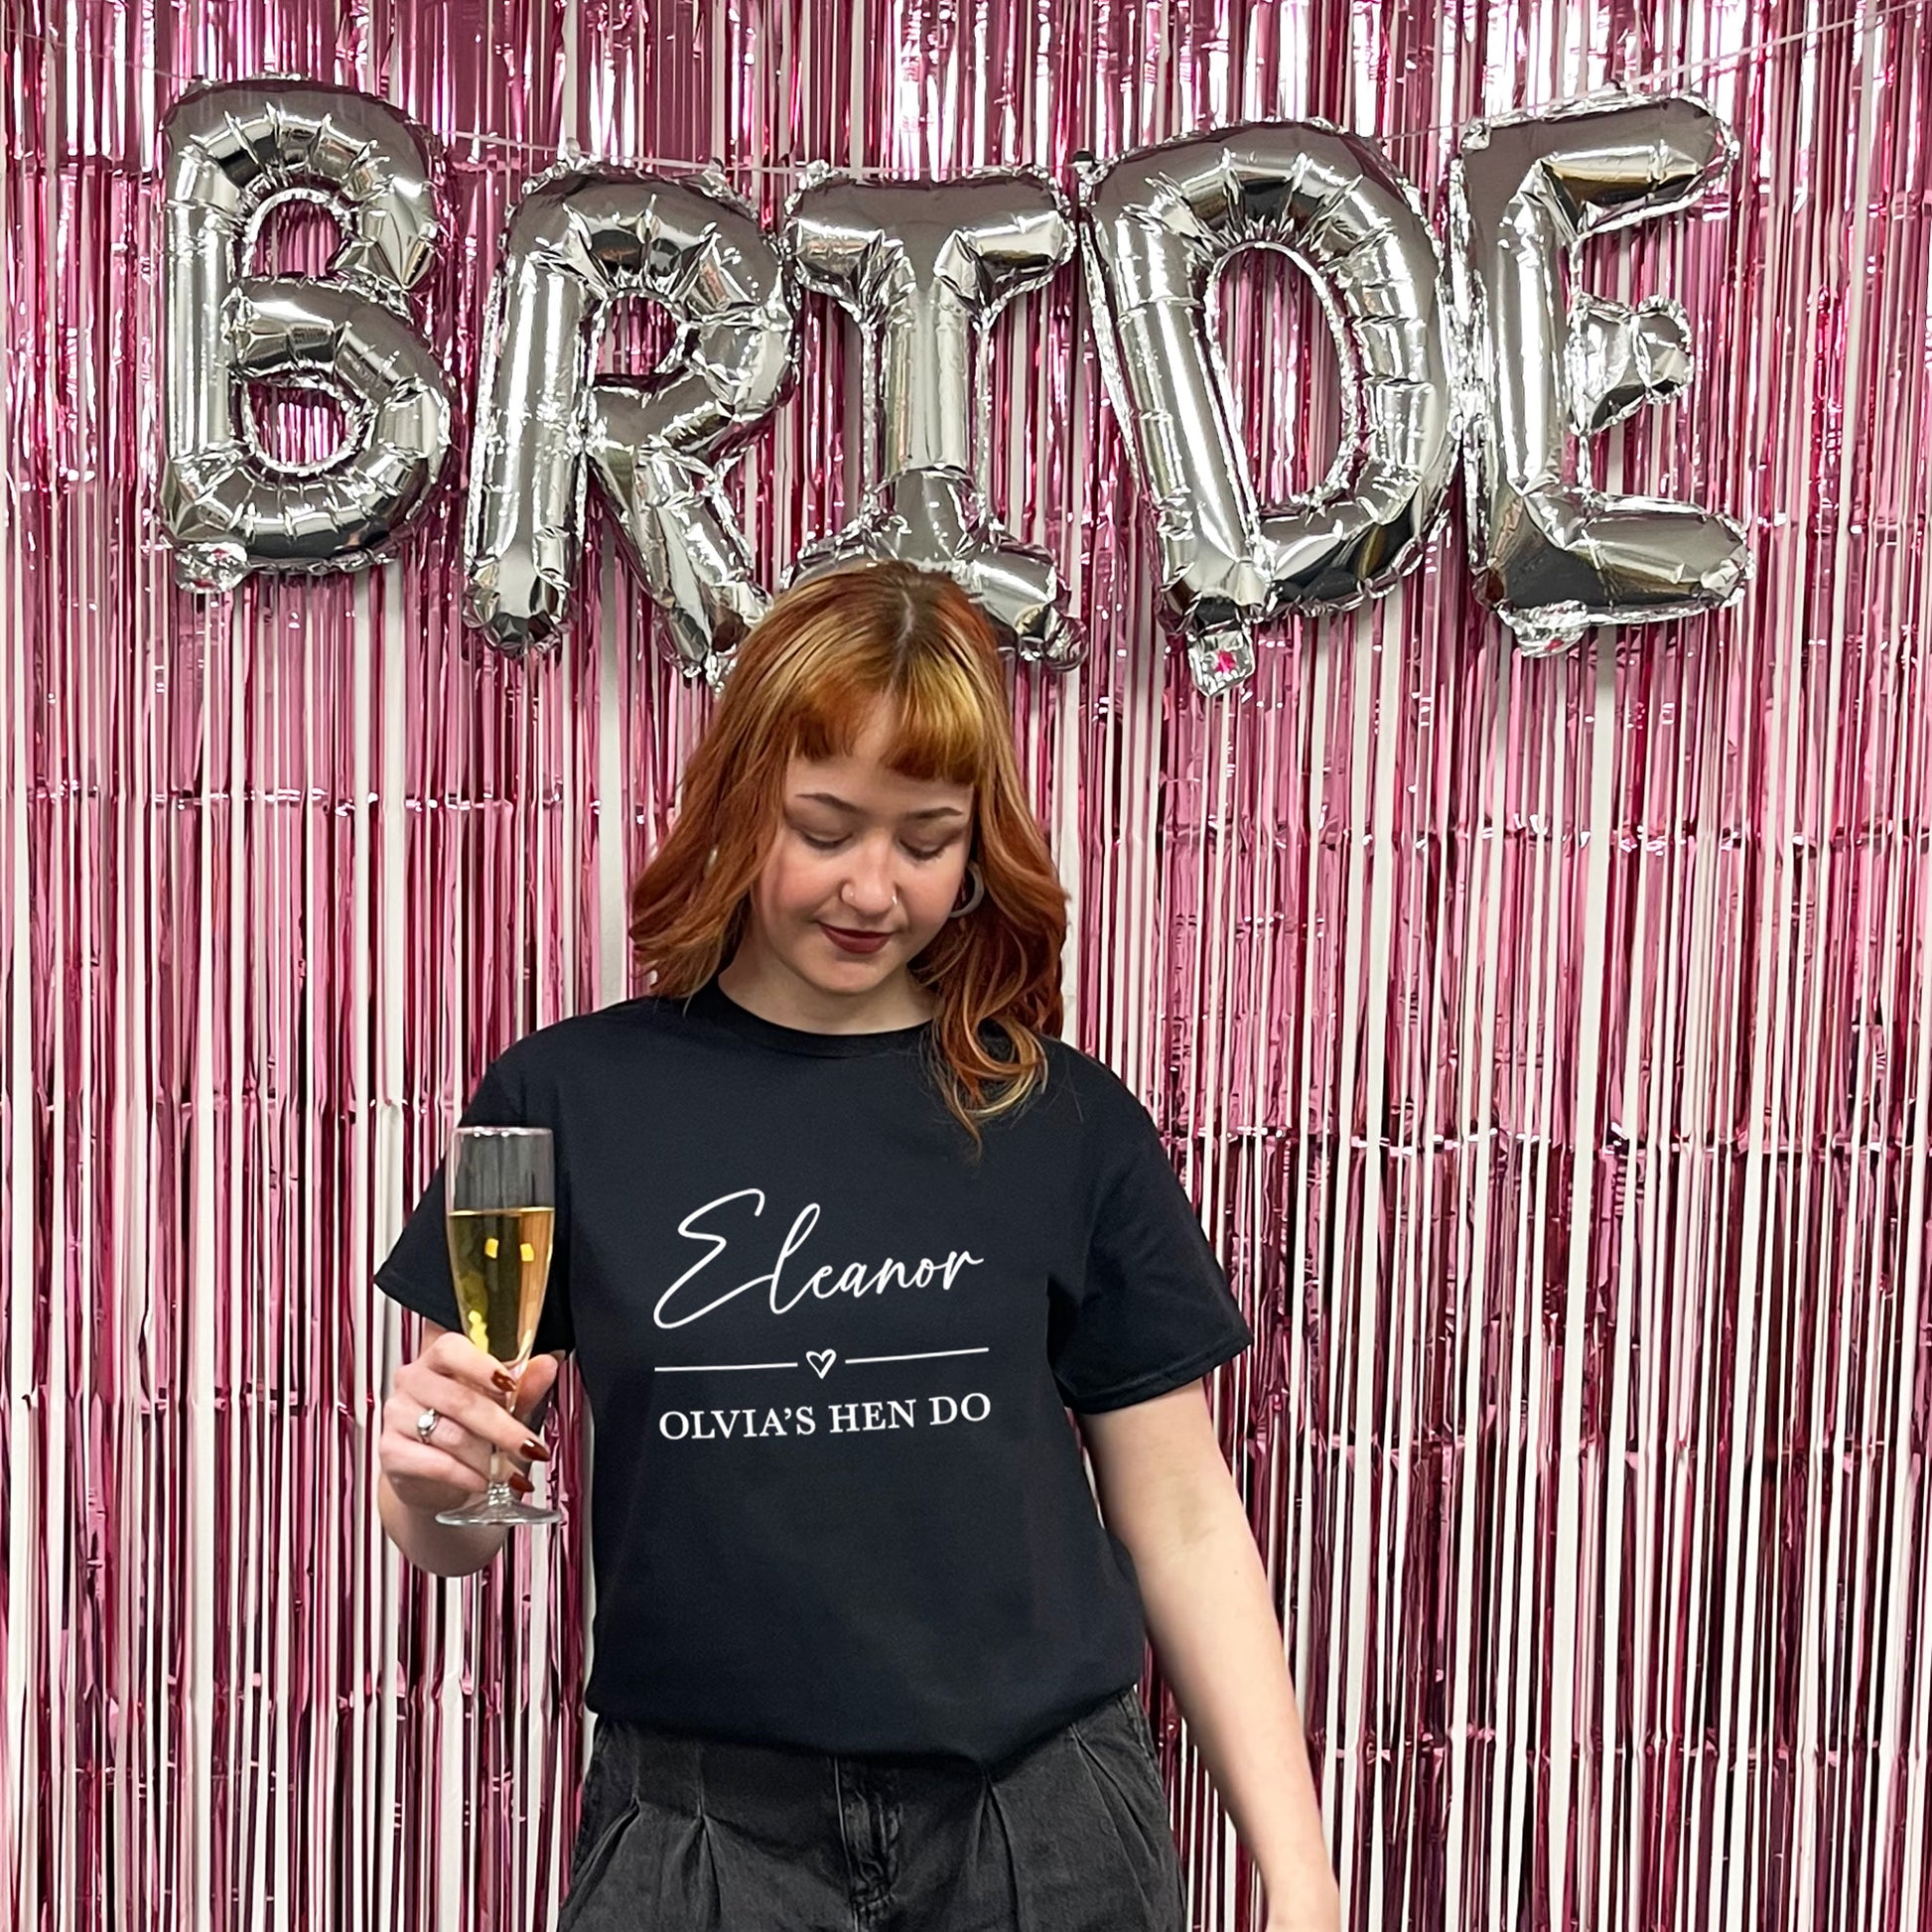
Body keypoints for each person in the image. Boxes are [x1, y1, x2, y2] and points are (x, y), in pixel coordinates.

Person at [373, 561, 1340, 1932]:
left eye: (925, 837)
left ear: (976, 844)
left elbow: (1182, 1511)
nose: (870, 886)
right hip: (698, 1839)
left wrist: (1299, 1881)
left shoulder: (1062, 1117)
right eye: (823, 825)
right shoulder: (559, 1101)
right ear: (739, 799)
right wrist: (421, 1482)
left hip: (1041, 1828)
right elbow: (459, 1507)